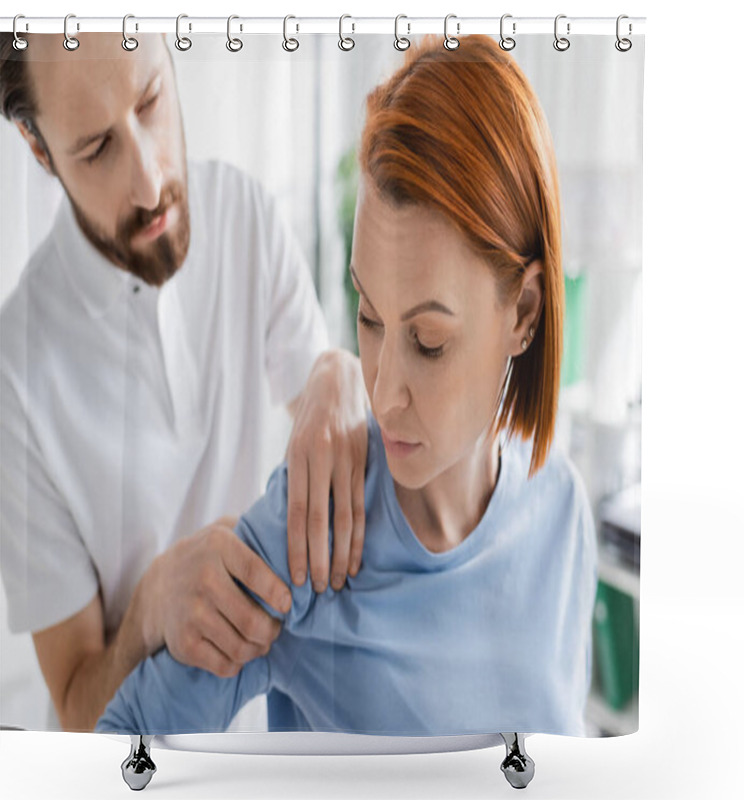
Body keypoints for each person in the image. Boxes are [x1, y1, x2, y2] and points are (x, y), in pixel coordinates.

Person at [96, 35, 597, 737]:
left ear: (524, 313)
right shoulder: (312, 536)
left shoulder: (564, 513)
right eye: (367, 315)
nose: (383, 389)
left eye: (428, 341)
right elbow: (120, 744)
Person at [0, 32, 370, 733]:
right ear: (39, 149)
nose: (149, 181)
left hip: (258, 744)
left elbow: (321, 403)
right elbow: (77, 709)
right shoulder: (14, 375)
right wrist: (148, 610)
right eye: (98, 149)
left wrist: (339, 372)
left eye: (150, 100)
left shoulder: (247, 216)